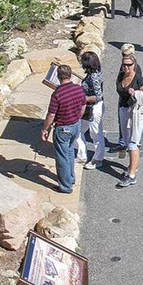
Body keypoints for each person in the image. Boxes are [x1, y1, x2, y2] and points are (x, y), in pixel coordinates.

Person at [40, 64, 87, 194]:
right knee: (70, 151)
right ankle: (71, 177)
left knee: (62, 157)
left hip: (63, 128)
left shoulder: (57, 94)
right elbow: (83, 105)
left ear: (57, 76)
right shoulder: (79, 89)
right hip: (75, 125)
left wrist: (45, 129)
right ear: (70, 75)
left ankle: (65, 186)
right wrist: (77, 117)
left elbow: (51, 115)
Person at [115, 54, 143, 188]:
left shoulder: (138, 79)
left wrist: (136, 93)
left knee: (132, 143)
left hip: (135, 114)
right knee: (126, 141)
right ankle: (132, 166)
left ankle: (131, 176)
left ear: (134, 65)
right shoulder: (121, 76)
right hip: (123, 110)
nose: (126, 67)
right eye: (124, 65)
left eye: (129, 65)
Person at [109, 44, 143, 156]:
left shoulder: (136, 69)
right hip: (122, 100)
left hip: (130, 103)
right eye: (124, 55)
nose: (125, 57)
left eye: (128, 55)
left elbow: (140, 86)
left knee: (131, 126)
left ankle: (131, 145)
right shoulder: (123, 66)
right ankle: (123, 142)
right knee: (122, 123)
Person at [75, 51, 105, 170]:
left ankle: (98, 159)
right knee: (79, 130)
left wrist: (82, 98)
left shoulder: (93, 76)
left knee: (95, 133)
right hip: (89, 108)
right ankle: (81, 155)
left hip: (94, 108)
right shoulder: (94, 73)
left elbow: (98, 96)